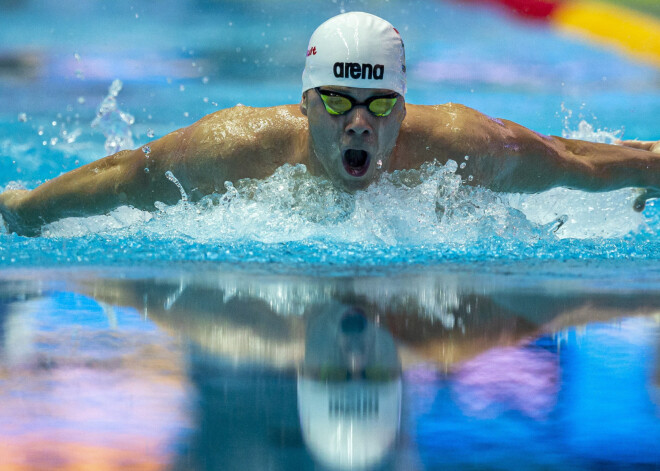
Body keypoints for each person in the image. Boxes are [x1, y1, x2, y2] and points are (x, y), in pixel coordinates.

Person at [1, 12, 658, 237]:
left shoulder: (461, 146)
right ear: (305, 103)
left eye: (378, 105)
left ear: (404, 107)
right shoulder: (236, 148)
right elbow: (125, 174)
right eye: (338, 102)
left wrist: (650, 164)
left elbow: (570, 159)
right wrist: (29, 208)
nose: (359, 125)